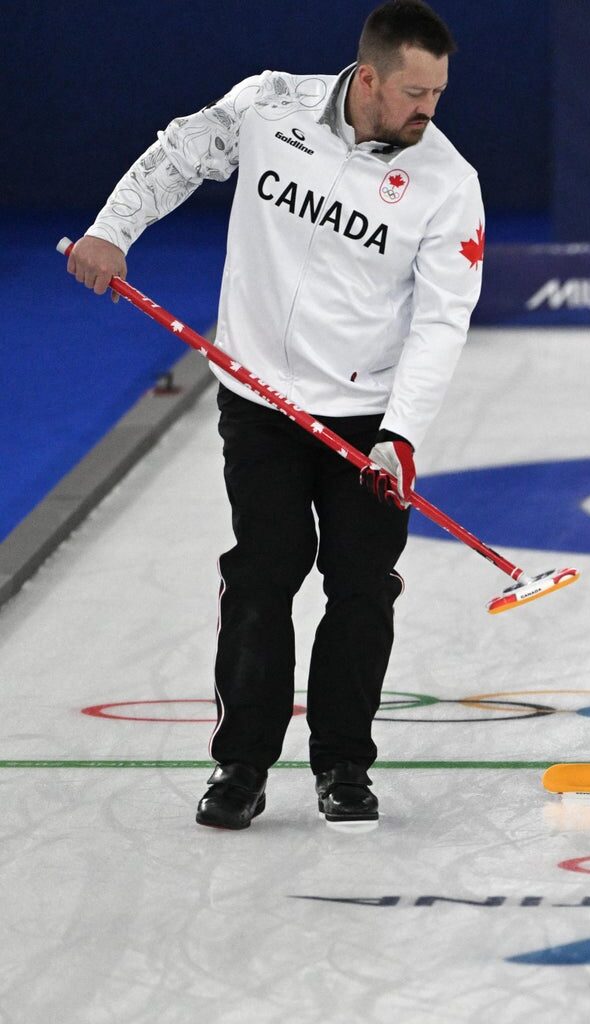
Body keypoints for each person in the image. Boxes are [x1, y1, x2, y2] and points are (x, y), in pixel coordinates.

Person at [66, 1, 484, 831]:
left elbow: (443, 320)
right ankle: (240, 766)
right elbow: (183, 152)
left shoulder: (446, 182)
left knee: (361, 587)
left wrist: (401, 436)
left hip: (366, 420)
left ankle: (343, 766)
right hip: (258, 400)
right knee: (263, 572)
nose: (426, 111)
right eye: (412, 92)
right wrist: (112, 231)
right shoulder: (270, 106)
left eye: (436, 94)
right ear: (366, 77)